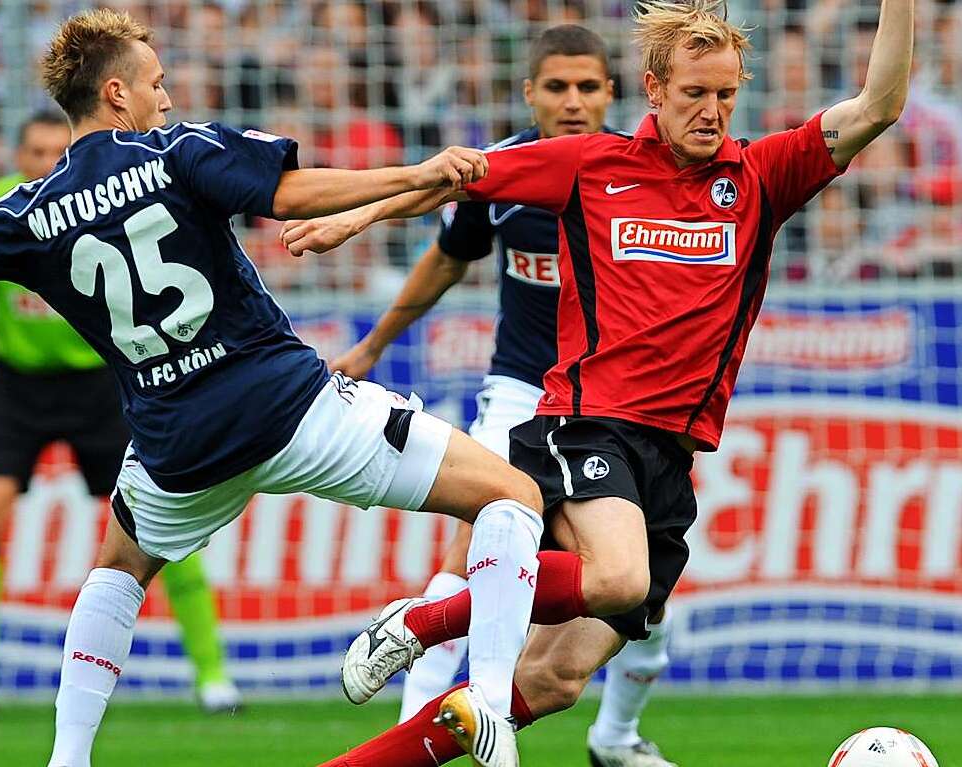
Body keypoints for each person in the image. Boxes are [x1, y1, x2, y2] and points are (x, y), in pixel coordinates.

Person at [282, 1, 914, 765]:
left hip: (668, 462)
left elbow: (879, 104)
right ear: (653, 89)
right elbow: (459, 181)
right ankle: (421, 623)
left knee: (553, 678)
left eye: (725, 95)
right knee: (617, 579)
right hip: (585, 423)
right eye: (693, 95)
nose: (711, 112)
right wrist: (354, 219)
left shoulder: (760, 178)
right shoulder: (592, 163)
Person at [0, 10, 547, 767]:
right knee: (512, 497)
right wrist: (416, 174)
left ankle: (68, 758)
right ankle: (487, 701)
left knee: (121, 568)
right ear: (118, 92)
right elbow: (287, 195)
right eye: (157, 83)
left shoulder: (24, 210)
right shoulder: (176, 151)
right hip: (289, 409)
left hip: (177, 448)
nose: (167, 97)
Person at [331, 24, 677, 767]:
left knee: (642, 596)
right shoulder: (507, 173)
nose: (574, 101)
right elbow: (446, 258)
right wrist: (371, 346)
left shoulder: (634, 174)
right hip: (523, 392)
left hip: (613, 406)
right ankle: (414, 707)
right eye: (557, 87)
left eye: (588, 87)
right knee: (475, 541)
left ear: (611, 94)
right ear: (531, 94)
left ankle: (616, 737)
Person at [0, 110, 240, 717]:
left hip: (102, 386)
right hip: (18, 387)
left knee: (155, 525)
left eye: (57, 150)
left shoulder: (93, 202)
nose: (46, 161)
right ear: (18, 156)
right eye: (34, 150)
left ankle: (213, 676)